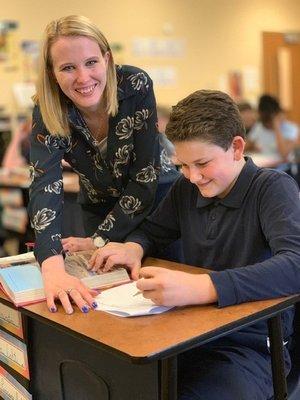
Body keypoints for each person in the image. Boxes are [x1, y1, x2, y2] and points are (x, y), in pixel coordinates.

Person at [89, 90, 300, 400]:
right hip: (189, 333)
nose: (193, 177)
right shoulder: (186, 189)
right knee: (116, 379)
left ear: (236, 147)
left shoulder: (272, 189)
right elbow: (153, 231)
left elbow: (295, 265)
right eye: (183, 165)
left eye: (202, 163)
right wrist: (134, 247)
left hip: (251, 348)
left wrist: (203, 287)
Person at [28, 15, 176, 315]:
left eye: (91, 62)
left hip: (156, 205)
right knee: (105, 306)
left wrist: (97, 240)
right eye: (68, 67)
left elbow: (145, 177)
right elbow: (45, 186)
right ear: (52, 72)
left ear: (107, 59)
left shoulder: (135, 85)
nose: (83, 78)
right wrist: (52, 266)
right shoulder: (47, 110)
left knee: (157, 301)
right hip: (99, 207)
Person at [248, 94, 299, 163]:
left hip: (283, 167)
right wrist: (253, 147)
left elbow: (284, 154)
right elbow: (248, 145)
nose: (267, 126)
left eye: (269, 122)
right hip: (263, 164)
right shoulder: (260, 126)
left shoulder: (291, 129)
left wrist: (276, 127)